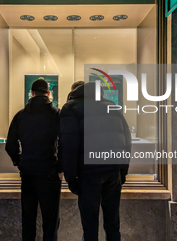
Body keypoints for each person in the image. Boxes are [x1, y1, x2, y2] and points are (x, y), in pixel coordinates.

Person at [59, 82, 131, 241]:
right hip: (113, 172)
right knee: (113, 225)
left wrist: (70, 177)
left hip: (88, 174)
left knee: (90, 227)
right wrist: (123, 170)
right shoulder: (112, 105)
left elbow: (69, 145)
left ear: (75, 92)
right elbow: (126, 139)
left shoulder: (71, 108)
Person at [5, 78, 62, 241]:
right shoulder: (56, 114)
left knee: (28, 220)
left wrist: (20, 162)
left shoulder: (21, 116)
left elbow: (10, 145)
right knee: (50, 222)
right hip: (49, 172)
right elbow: (65, 142)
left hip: (28, 173)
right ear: (49, 94)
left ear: (31, 93)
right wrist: (60, 167)